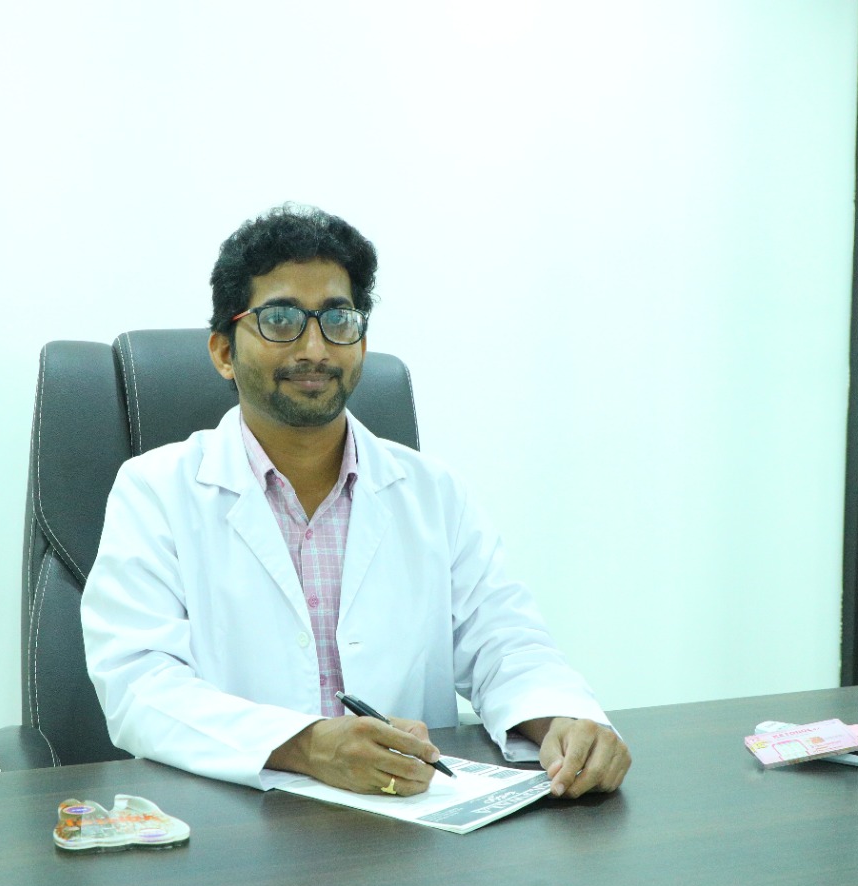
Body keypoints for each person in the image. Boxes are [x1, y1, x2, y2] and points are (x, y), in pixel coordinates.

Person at [81, 204, 630, 798]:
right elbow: (139, 687)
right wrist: (308, 746)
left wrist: (562, 718)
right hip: (239, 820)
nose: (315, 348)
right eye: (281, 319)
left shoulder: (433, 492)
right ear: (222, 352)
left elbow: (505, 644)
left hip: (413, 824)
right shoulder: (155, 491)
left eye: (338, 319)